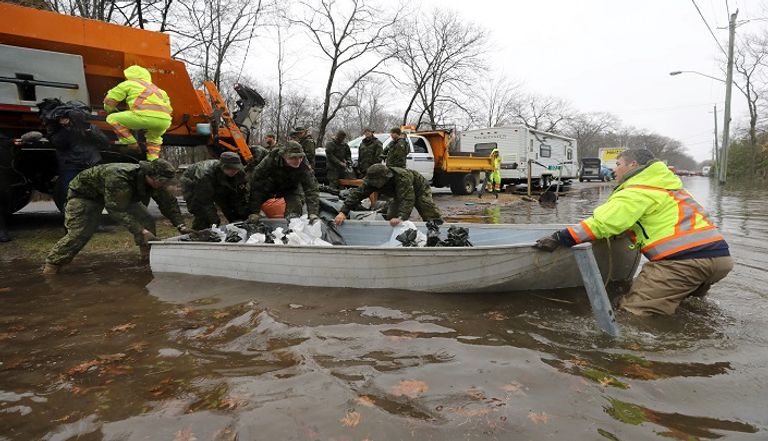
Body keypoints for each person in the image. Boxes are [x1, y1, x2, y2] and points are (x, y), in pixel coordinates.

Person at [534, 149, 733, 316]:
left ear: (632, 165)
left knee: (634, 314)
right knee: (687, 308)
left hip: (682, 263)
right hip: (720, 260)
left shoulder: (636, 191)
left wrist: (561, 237)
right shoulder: (669, 188)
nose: (614, 169)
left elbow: (601, 223)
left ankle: (636, 359)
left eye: (618, 163)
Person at [43, 159, 191, 274]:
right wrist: (140, 231)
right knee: (81, 232)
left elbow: (169, 204)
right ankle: (53, 265)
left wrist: (181, 226)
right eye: (160, 181)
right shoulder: (120, 177)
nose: (162, 185)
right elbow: (115, 209)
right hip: (86, 196)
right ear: (149, 175)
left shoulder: (156, 182)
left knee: (146, 219)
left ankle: (147, 258)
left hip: (120, 196)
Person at [335, 164, 442, 227]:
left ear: (385, 178)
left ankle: (437, 228)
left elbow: (407, 199)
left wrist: (401, 217)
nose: (375, 185)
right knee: (392, 217)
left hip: (419, 188)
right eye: (373, 182)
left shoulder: (402, 178)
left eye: (377, 182)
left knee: (427, 209)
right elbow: (357, 194)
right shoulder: (372, 182)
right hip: (398, 193)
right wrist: (343, 212)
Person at [103, 65, 172, 161]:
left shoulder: (129, 83)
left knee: (112, 118)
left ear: (130, 75)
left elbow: (110, 100)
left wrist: (109, 110)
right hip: (164, 121)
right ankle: (154, 163)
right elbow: (169, 109)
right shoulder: (159, 90)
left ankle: (132, 144)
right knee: (154, 140)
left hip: (143, 116)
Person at [45, 107, 106, 209]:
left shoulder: (90, 127)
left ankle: (92, 220)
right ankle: (72, 221)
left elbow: (104, 141)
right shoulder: (59, 130)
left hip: (90, 164)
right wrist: (67, 129)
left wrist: (90, 132)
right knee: (69, 195)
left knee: (94, 194)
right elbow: (58, 143)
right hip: (71, 165)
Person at [247, 141, 320, 224]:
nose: (298, 160)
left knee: (294, 215)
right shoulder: (270, 159)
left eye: (300, 157)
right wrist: (254, 211)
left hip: (291, 187)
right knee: (252, 215)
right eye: (293, 158)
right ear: (283, 156)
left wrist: (313, 213)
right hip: (269, 186)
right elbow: (256, 185)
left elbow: (311, 188)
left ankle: (291, 231)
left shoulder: (303, 164)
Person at [180, 152, 248, 230]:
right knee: (204, 215)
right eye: (230, 168)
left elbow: (238, 196)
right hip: (193, 183)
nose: (234, 171)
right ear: (222, 167)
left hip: (218, 181)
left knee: (236, 212)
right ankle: (198, 234)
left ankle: (238, 230)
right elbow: (205, 201)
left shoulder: (239, 173)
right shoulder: (204, 175)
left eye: (236, 169)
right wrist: (214, 220)